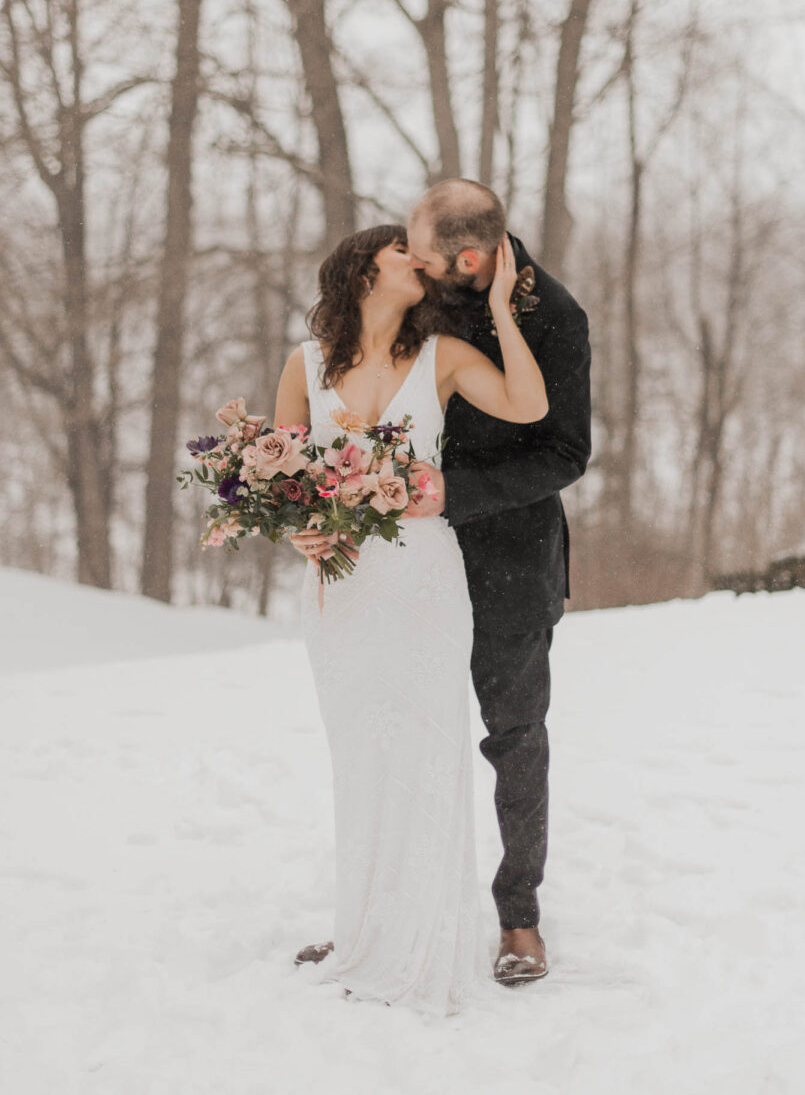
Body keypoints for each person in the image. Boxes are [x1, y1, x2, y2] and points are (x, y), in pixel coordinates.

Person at [274, 223, 548, 1015]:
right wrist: (299, 530)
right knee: (361, 756)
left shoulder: (443, 358)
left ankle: (426, 935)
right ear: (362, 269)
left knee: (426, 750)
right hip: (343, 586)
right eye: (403, 251)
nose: (420, 262)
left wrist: (501, 309)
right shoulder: (303, 364)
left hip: (424, 579)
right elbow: (288, 480)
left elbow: (529, 405)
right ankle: (364, 928)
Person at [403, 180, 591, 987]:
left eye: (423, 255)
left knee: (515, 739)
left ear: (470, 260)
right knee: (407, 734)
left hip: (512, 562)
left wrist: (457, 493)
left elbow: (566, 454)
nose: (410, 265)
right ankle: (398, 909)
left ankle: (519, 916)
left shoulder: (557, 318)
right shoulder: (416, 293)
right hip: (410, 560)